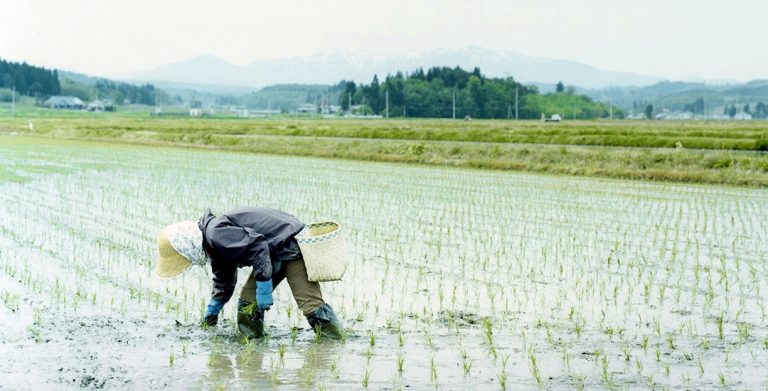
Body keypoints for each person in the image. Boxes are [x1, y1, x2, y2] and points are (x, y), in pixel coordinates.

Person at [155, 206, 345, 340]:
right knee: (248, 302)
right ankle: (254, 344)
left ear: (188, 247)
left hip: (291, 245)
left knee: (310, 304)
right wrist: (214, 308)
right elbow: (224, 279)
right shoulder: (214, 244)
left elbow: (258, 246)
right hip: (273, 252)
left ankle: (335, 344)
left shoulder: (216, 235)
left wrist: (264, 289)